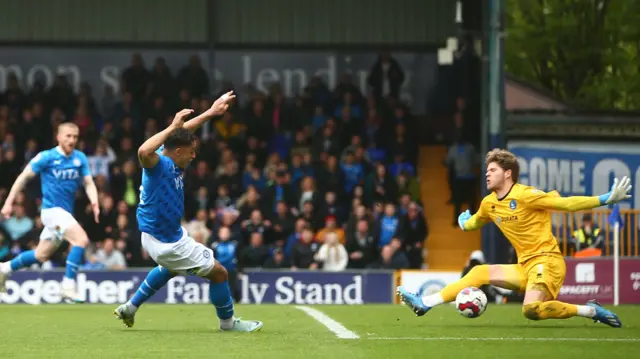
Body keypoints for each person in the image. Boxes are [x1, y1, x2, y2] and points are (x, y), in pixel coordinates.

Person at [397, 148, 629, 328]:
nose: (487, 173)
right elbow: (474, 222)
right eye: (487, 170)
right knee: (478, 272)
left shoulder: (526, 195)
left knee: (530, 310)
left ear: (508, 173)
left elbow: (566, 204)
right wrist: (463, 222)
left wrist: (605, 199)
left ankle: (590, 311)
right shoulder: (489, 203)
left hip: (547, 261)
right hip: (524, 266)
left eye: (493, 170)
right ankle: (425, 303)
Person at [113, 92, 262, 332]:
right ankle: (228, 323)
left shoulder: (168, 152)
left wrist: (211, 113)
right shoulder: (157, 164)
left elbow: (180, 134)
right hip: (168, 242)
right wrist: (173, 125)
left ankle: (130, 307)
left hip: (157, 235)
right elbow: (142, 151)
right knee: (220, 273)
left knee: (170, 269)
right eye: (191, 151)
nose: (194, 156)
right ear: (178, 151)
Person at [0, 122, 100, 303]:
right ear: (59, 137)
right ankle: (68, 285)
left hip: (65, 214)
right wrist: (8, 203)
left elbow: (88, 182)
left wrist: (94, 201)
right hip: (51, 212)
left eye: (75, 137)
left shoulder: (80, 158)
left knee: (40, 255)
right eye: (68, 136)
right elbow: (23, 178)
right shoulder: (46, 157)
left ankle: (5, 268)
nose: (72, 140)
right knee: (81, 240)